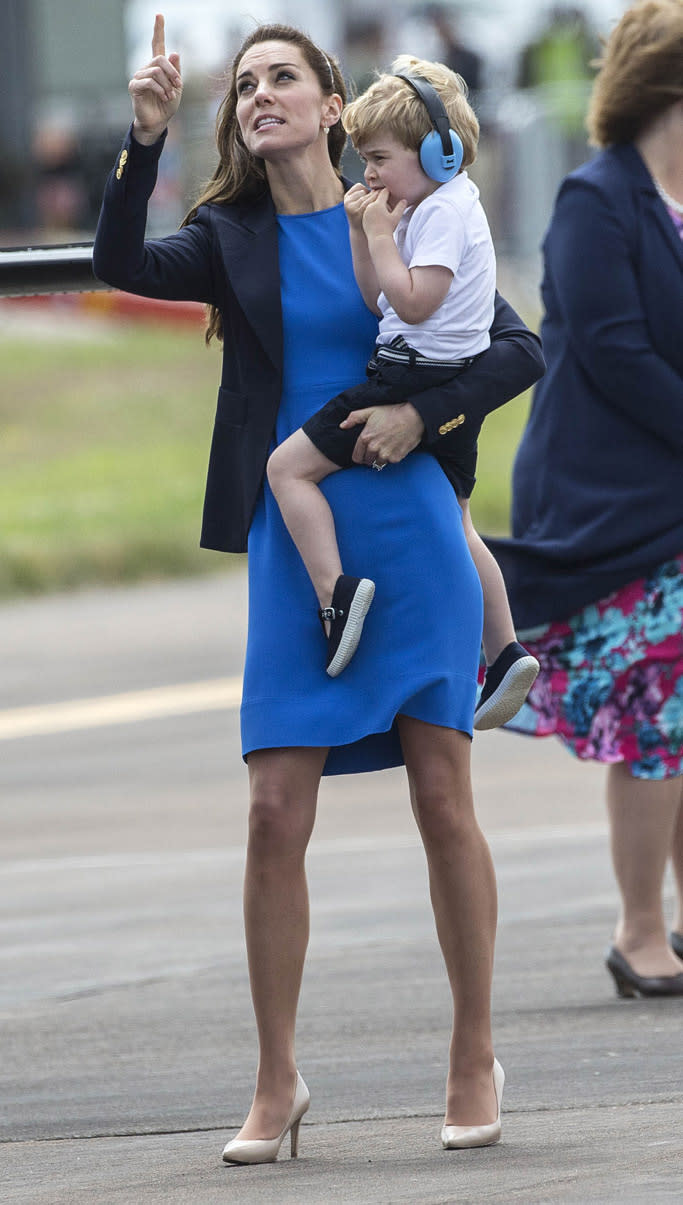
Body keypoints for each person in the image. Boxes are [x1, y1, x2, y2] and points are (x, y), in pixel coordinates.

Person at [93, 14, 544, 1163]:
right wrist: (142, 142)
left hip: (410, 524)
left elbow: (511, 350)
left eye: (281, 76)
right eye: (243, 84)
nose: (259, 95)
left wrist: (416, 414)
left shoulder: (399, 197)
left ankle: (472, 1050)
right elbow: (119, 267)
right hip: (297, 546)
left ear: (334, 100)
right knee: (269, 811)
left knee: (443, 795)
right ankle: (276, 1076)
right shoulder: (228, 232)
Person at [488, 0, 683, 999]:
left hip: (671, 484)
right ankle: (637, 930)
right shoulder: (594, 197)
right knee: (655, 705)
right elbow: (610, 350)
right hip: (611, 491)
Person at [267, 55, 540, 728]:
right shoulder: (430, 204)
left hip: (408, 376)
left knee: (286, 469)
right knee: (456, 520)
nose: (369, 173)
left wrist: (383, 234)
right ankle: (503, 650)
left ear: (440, 153)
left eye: (380, 158)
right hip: (439, 375)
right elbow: (378, 296)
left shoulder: (445, 212)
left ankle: (337, 594)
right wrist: (369, 237)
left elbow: (414, 304)